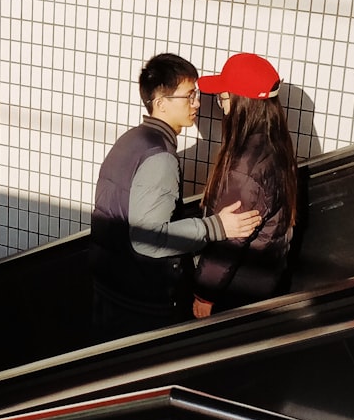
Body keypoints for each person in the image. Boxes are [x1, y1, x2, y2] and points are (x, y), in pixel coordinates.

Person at [89, 53, 262, 340]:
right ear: (161, 103)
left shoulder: (131, 140)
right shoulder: (160, 159)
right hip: (142, 301)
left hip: (111, 287)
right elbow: (149, 239)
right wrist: (217, 227)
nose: (197, 103)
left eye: (196, 94)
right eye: (189, 96)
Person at [192, 53, 299, 319]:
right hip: (262, 278)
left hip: (236, 290)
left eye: (223, 97)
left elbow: (230, 241)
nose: (221, 105)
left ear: (243, 102)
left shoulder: (245, 167)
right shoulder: (275, 143)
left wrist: (204, 294)